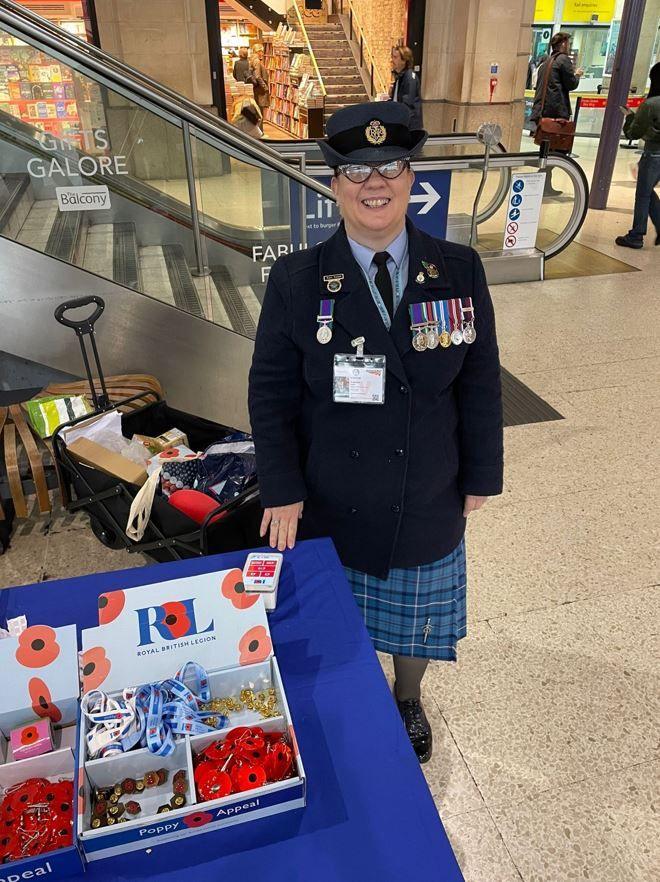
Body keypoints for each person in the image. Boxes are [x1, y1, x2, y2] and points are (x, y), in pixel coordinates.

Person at [248, 102, 503, 764]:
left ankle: (407, 697)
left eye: (388, 166)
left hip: (428, 485)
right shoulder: (298, 280)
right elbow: (270, 392)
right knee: (339, 618)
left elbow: (478, 382)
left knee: (417, 624)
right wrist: (280, 486)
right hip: (335, 488)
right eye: (356, 170)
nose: (374, 182)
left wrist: (481, 473)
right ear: (333, 184)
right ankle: (347, 696)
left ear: (409, 174)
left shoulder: (458, 269)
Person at [531, 33, 583, 196]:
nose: (569, 46)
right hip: (556, 112)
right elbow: (571, 84)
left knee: (547, 148)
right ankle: (542, 182)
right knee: (557, 150)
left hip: (543, 111)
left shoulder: (546, 62)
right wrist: (577, 75)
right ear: (563, 44)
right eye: (568, 43)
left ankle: (544, 184)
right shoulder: (563, 60)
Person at [615, 62, 660, 250]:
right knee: (648, 191)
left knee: (643, 194)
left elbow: (633, 133)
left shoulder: (650, 105)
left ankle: (636, 235)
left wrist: (629, 117)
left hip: (653, 155)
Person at [390, 46, 423, 130]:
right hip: (401, 122)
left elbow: (407, 104)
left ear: (404, 60)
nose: (392, 60)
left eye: (395, 57)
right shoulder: (400, 77)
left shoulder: (409, 77)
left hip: (409, 126)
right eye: (392, 57)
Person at [249, 44, 270, 112]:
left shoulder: (252, 60)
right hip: (260, 90)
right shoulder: (257, 61)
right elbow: (258, 76)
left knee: (258, 109)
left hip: (257, 89)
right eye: (261, 51)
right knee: (260, 110)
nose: (262, 53)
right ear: (258, 51)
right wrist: (265, 87)